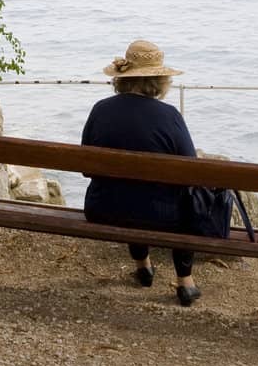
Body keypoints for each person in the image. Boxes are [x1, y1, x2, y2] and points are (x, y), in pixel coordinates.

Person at [81, 37, 202, 305]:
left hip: (102, 209)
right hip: (160, 217)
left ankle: (143, 267)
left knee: (128, 191)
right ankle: (185, 282)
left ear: (122, 78)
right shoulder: (169, 116)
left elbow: (86, 169)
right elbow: (192, 170)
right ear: (159, 81)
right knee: (181, 202)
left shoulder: (100, 110)